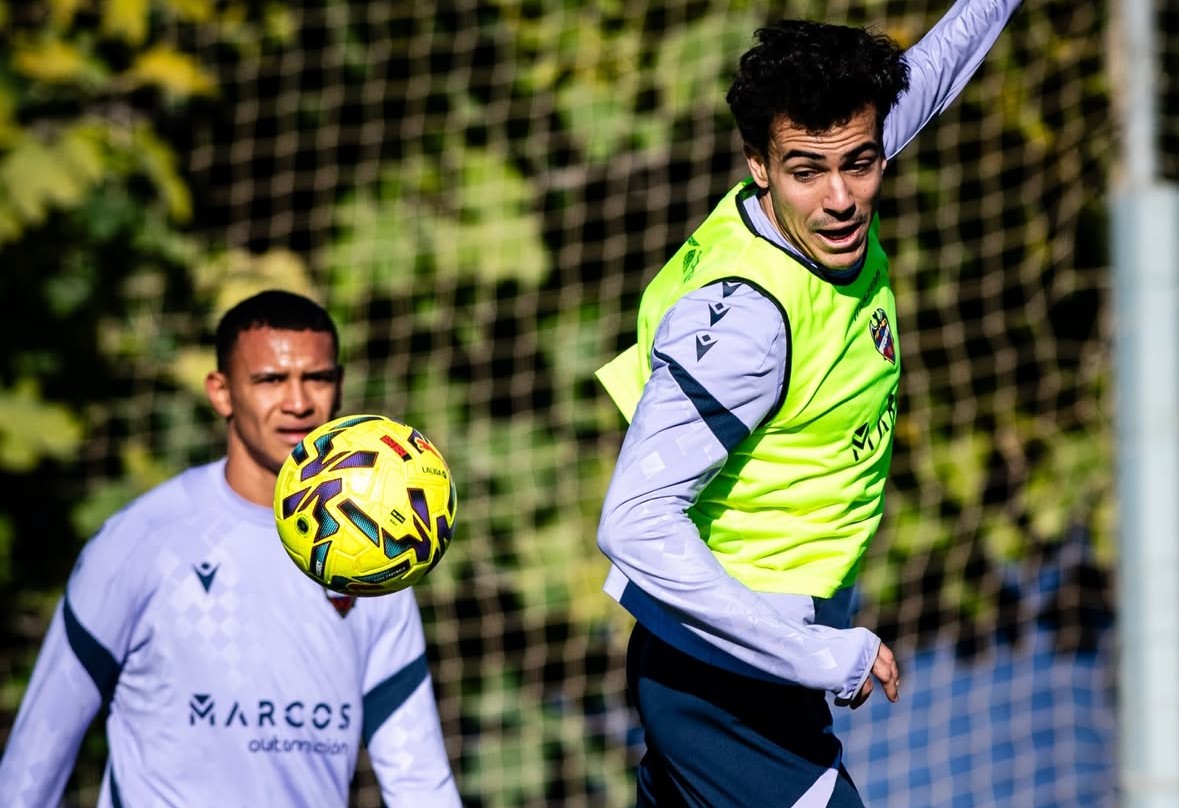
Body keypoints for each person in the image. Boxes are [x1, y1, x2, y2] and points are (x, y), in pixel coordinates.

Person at [595, 2, 1023, 805]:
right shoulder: (745, 323)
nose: (841, 198)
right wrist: (827, 656)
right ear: (757, 164)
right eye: (807, 171)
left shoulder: (829, 170)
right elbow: (632, 524)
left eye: (862, 163)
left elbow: (934, 70)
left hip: (743, 671)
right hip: (721, 687)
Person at [0, 290, 461, 807]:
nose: (299, 402)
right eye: (270, 379)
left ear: (340, 385)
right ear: (220, 392)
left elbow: (419, 780)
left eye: (318, 378)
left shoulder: (378, 559)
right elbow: (33, 761)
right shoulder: (139, 541)